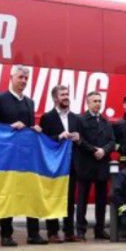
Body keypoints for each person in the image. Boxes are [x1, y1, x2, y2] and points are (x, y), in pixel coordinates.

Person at [0, 65, 47, 246]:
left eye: (26, 79)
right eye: (20, 77)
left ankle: (34, 233)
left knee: (31, 192)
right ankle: (6, 235)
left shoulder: (30, 102)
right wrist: (9, 127)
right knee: (8, 193)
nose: (23, 81)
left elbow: (29, 128)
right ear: (11, 77)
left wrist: (35, 129)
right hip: (6, 156)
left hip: (26, 157)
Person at [40, 85, 82, 243]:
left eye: (67, 94)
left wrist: (78, 138)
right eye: (62, 94)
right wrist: (58, 137)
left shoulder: (75, 118)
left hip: (70, 164)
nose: (66, 97)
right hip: (53, 165)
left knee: (70, 198)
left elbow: (81, 140)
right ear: (55, 98)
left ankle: (69, 231)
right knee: (53, 197)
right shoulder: (47, 117)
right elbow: (43, 141)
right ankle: (52, 232)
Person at [76, 91, 115, 240]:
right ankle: (80, 231)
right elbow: (79, 140)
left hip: (101, 166)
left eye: (99, 101)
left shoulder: (105, 122)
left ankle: (99, 230)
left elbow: (112, 141)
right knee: (82, 200)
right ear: (88, 103)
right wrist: (94, 151)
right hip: (86, 164)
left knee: (101, 200)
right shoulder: (80, 119)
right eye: (95, 101)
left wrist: (104, 151)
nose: (98, 104)